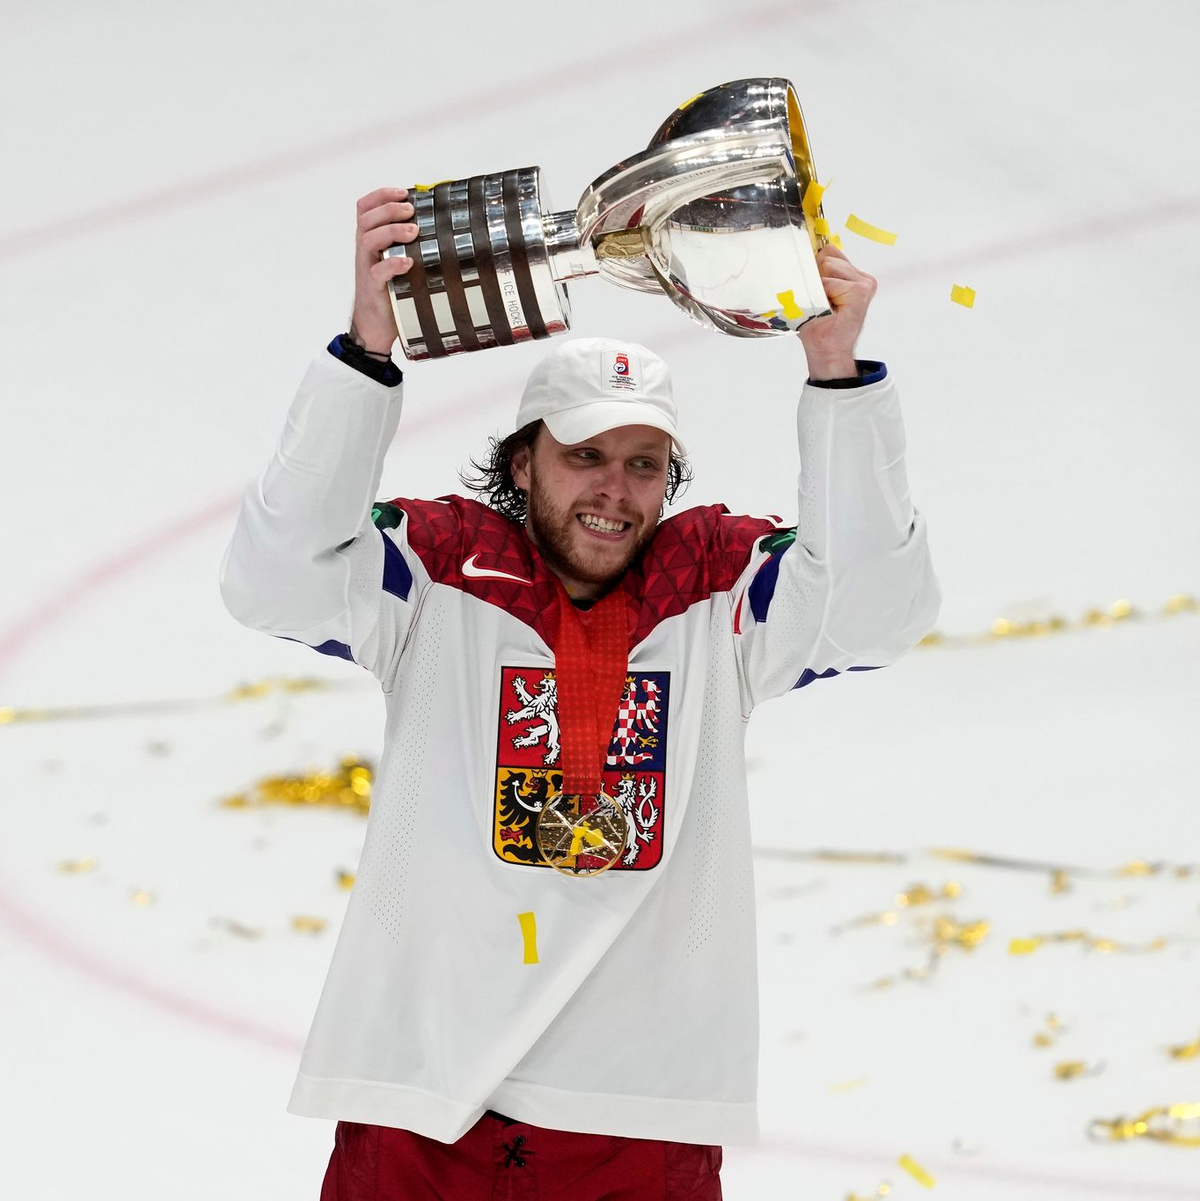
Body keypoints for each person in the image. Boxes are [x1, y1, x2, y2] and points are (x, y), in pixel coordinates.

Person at [220, 186, 941, 1200]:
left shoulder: (720, 593)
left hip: (636, 1112)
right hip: (423, 1095)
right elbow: (273, 577)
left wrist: (837, 371)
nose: (615, 487)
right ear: (524, 461)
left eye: (644, 464)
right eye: (586, 455)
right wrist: (366, 350)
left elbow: (875, 612)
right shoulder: (435, 574)